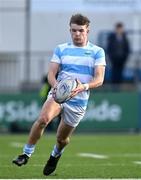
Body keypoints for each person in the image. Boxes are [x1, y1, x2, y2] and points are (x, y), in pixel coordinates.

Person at [12, 13, 106, 176]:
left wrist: (82, 87)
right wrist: (56, 87)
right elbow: (51, 73)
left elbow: (99, 79)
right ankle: (25, 154)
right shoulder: (61, 49)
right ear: (70, 30)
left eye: (81, 31)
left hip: (78, 100)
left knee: (62, 139)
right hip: (58, 94)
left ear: (87, 31)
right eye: (74, 30)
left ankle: (55, 155)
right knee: (43, 119)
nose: (77, 34)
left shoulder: (97, 51)